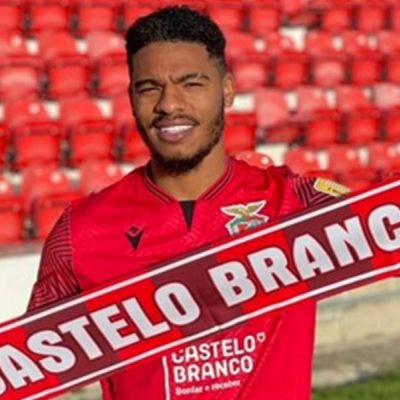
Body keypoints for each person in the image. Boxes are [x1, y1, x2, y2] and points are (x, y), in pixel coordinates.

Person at [28, 5, 349, 400]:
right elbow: (32, 369)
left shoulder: (298, 202)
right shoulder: (80, 231)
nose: (169, 104)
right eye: (149, 87)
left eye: (191, 83)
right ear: (131, 97)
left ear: (227, 90)